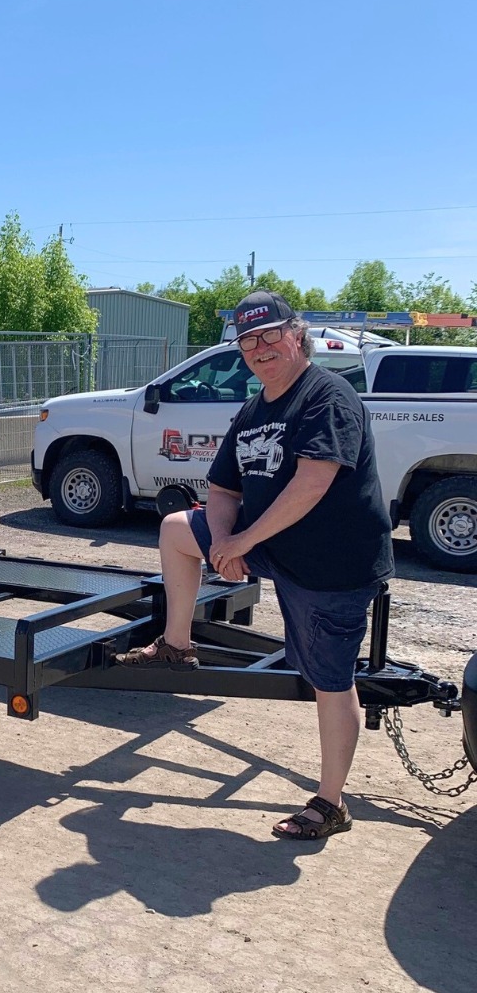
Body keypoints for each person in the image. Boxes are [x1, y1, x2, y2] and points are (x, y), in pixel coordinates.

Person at [113, 290, 394, 841]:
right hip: (269, 542)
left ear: (296, 335)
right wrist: (223, 542)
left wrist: (241, 542)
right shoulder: (255, 408)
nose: (260, 348)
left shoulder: (327, 396)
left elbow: (311, 485)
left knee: (331, 683)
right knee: (176, 530)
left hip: (331, 565)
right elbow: (221, 488)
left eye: (269, 335)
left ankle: (330, 804)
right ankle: (177, 646)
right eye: (248, 340)